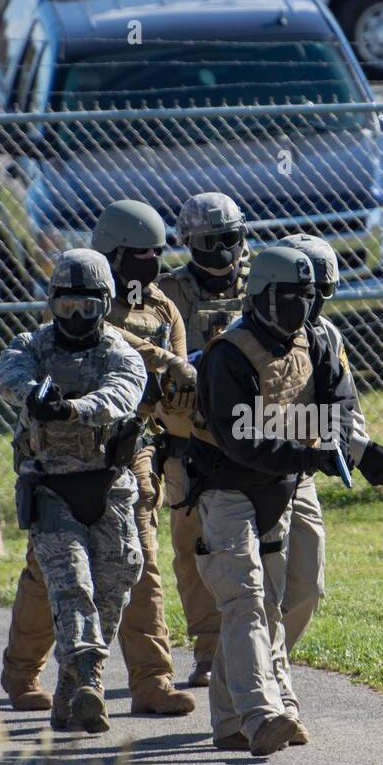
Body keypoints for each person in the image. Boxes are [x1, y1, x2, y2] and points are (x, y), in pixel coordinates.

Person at [0, 200, 197, 717]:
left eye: (156, 254)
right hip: (54, 470)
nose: (149, 264)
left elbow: (163, 376)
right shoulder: (70, 304)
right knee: (53, 576)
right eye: (136, 255)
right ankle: (23, 675)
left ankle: (149, 681)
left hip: (128, 455)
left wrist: (173, 421)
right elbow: (20, 372)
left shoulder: (162, 309)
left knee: (135, 566)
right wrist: (48, 404)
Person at [186, 246, 357, 757]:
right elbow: (243, 439)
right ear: (260, 297)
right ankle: (265, 713)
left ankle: (230, 720)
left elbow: (340, 405)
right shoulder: (228, 354)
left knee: (298, 595)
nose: (301, 308)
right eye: (289, 297)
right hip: (229, 490)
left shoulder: (317, 341)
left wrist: (341, 447)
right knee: (245, 601)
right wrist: (311, 455)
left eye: (308, 297)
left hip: (282, 487)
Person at [0, 248, 146, 733]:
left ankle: (70, 693)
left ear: (106, 305)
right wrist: (38, 397)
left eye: (88, 307)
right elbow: (10, 378)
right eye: (66, 307)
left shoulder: (120, 350)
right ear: (51, 303)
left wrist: (76, 410)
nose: (76, 318)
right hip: (50, 486)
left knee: (121, 572)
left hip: (108, 484)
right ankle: (88, 676)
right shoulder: (29, 345)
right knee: (71, 581)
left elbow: (123, 393)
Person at [275, 233, 383, 655]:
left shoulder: (328, 336)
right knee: (252, 597)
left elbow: (342, 406)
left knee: (308, 586)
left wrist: (365, 453)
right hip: (245, 475)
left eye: (320, 293)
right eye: (301, 292)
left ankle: (267, 664)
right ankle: (253, 682)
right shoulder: (248, 336)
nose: (311, 304)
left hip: (300, 474)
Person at [157, 192, 251, 687]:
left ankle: (259, 649)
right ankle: (211, 650)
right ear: (187, 243)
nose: (219, 252)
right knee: (194, 547)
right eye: (205, 243)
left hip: (255, 438)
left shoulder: (266, 284)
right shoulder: (168, 293)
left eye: (228, 240)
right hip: (189, 444)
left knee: (262, 547)